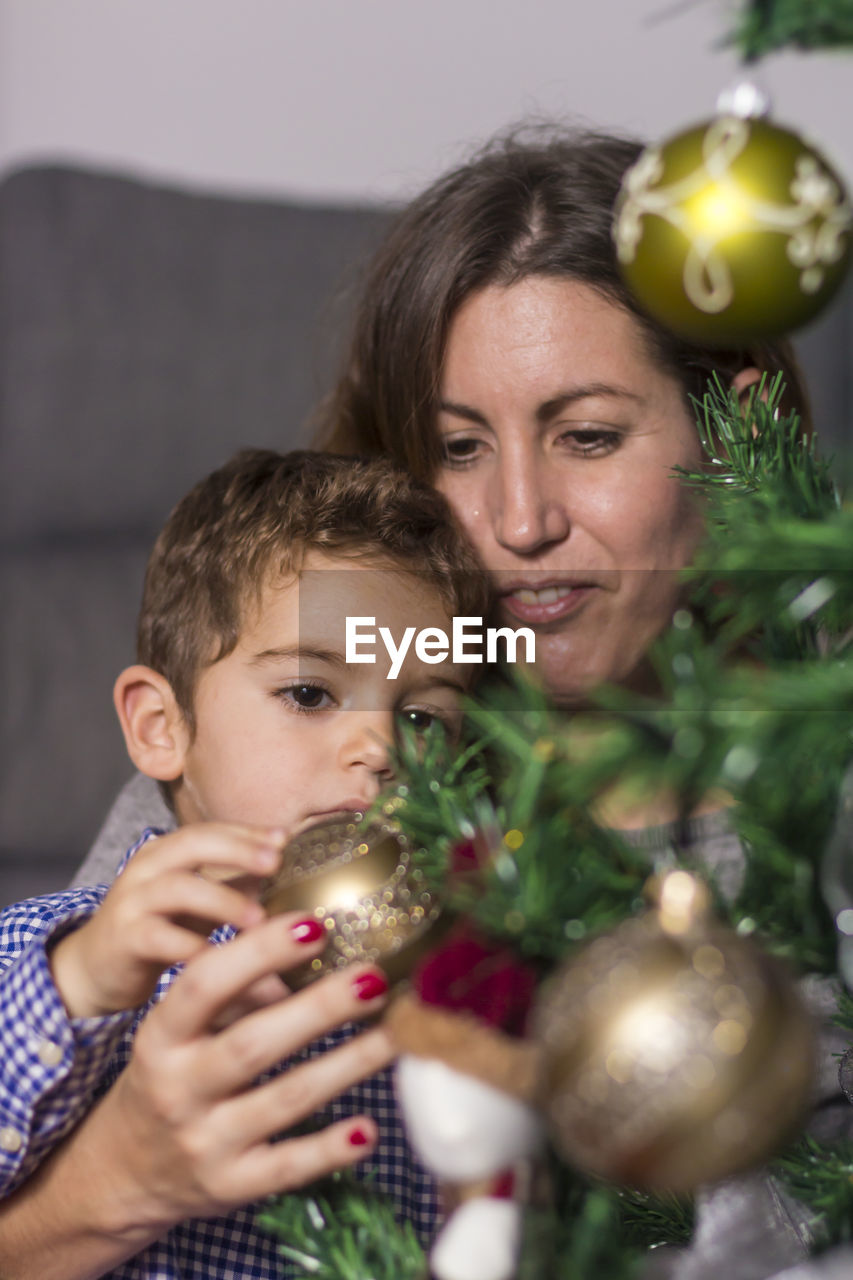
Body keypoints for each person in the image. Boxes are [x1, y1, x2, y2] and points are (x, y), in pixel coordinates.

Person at [13, 124, 821, 1278]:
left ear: (739, 432)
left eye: (587, 435)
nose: (519, 521)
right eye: (458, 446)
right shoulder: (277, 754)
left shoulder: (810, 798)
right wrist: (118, 1181)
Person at [0, 447, 489, 1278]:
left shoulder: (448, 987)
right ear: (161, 727)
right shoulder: (69, 950)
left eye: (422, 720)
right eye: (308, 693)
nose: (377, 749)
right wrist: (84, 981)